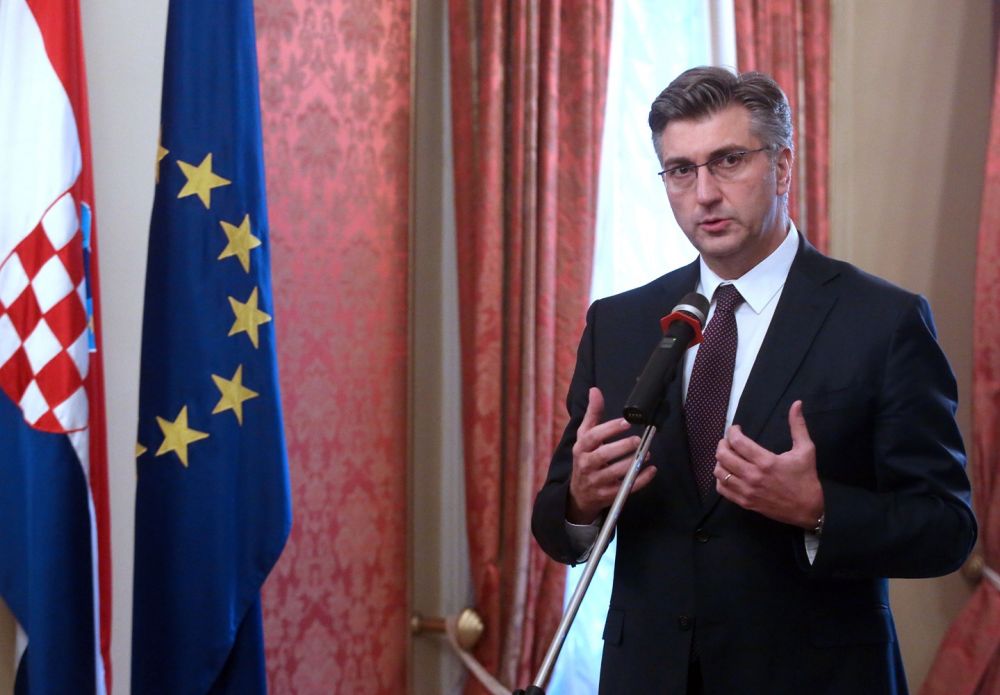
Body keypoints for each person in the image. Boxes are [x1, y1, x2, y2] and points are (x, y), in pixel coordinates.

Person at [531, 66, 977, 695]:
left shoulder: (882, 320)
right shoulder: (620, 323)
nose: (704, 194)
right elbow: (558, 527)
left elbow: (946, 529)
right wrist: (581, 497)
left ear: (782, 167)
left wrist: (819, 509)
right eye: (680, 170)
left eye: (728, 161)